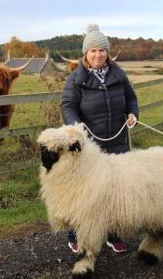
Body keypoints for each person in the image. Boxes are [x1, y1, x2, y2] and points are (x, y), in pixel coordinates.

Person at [61, 24, 139, 253]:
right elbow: (68, 105)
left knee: (117, 190)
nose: (98, 55)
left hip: (117, 142)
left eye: (102, 50)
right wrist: (76, 123)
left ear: (107, 53)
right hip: (90, 145)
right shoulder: (76, 78)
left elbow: (131, 98)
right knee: (86, 191)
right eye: (93, 50)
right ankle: (76, 233)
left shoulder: (118, 74)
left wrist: (132, 113)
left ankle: (113, 235)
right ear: (86, 53)